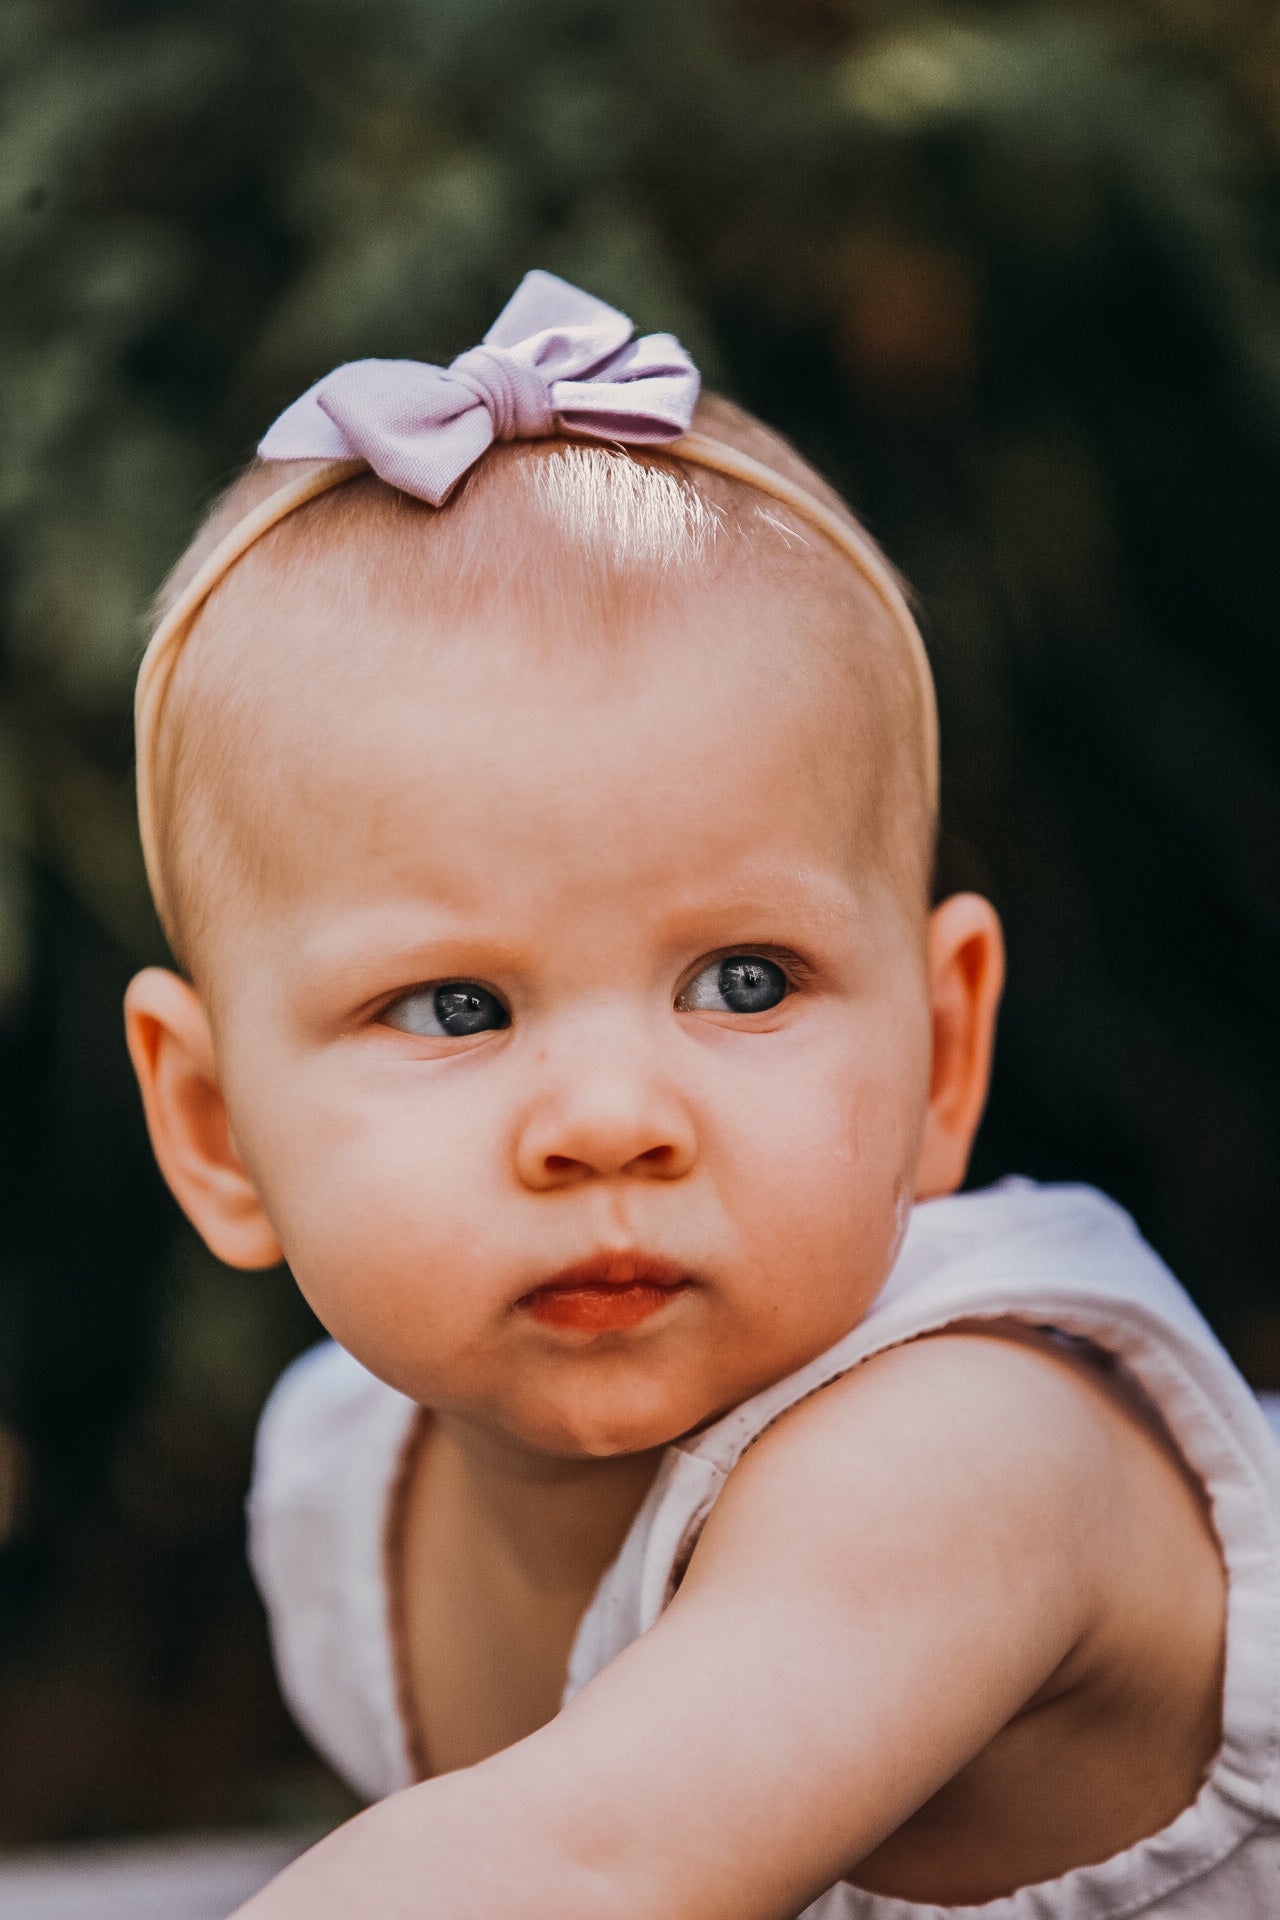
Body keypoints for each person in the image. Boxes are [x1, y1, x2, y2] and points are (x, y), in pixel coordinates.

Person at [123, 272, 1280, 1918]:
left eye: (745, 982)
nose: (609, 1119)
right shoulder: (344, 1493)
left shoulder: (971, 1452)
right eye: (456, 1005)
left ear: (945, 1054)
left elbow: (588, 1864)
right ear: (214, 1129)